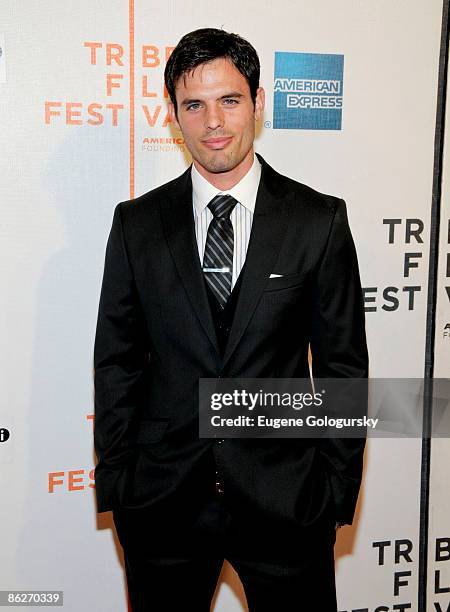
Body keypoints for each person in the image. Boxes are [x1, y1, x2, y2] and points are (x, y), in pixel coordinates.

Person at [93, 27, 368, 612]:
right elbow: (117, 361)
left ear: (259, 102)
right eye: (194, 104)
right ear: (173, 114)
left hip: (287, 503)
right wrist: (121, 482)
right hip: (163, 506)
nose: (213, 121)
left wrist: (335, 489)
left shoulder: (317, 221)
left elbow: (344, 366)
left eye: (229, 100)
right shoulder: (136, 225)